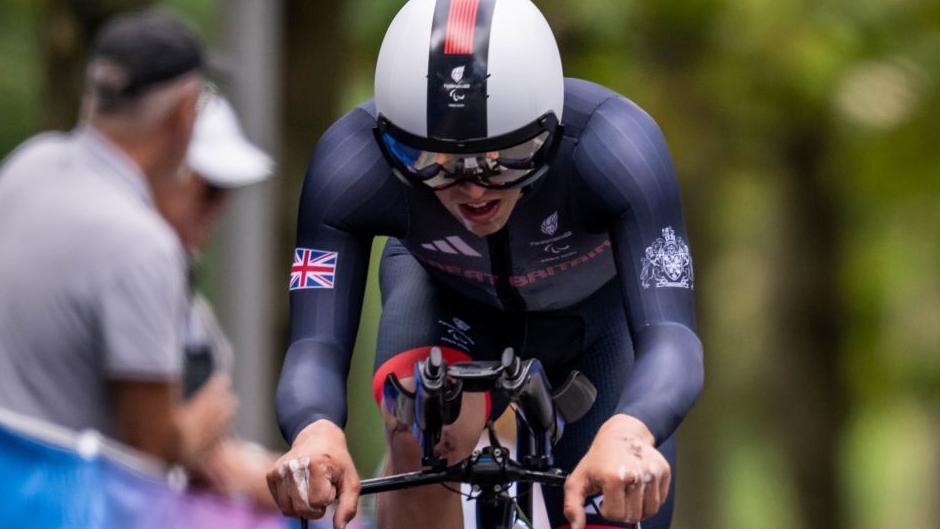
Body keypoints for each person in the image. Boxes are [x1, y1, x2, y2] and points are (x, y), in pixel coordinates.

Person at [268, 1, 704, 528]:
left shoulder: (618, 147)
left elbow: (671, 338)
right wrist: (314, 429)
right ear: (389, 139)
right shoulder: (348, 163)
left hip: (596, 322)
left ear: (553, 125)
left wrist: (632, 431)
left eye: (507, 157)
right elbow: (315, 345)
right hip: (443, 293)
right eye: (432, 163)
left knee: (617, 494)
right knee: (421, 432)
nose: (473, 189)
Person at [0, 10, 235, 467]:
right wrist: (202, 423)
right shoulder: (142, 246)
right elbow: (150, 450)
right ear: (186, 111)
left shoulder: (27, 164)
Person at [152, 91, 280, 510]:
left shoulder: (183, 291)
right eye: (209, 189)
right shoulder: (136, 275)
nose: (218, 206)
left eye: (225, 191)